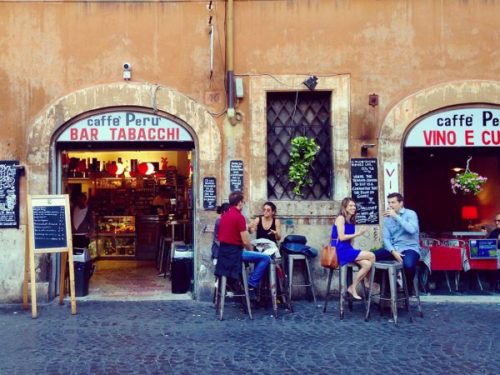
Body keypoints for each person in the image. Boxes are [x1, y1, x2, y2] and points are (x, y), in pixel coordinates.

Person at [373, 192, 421, 291]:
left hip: (410, 248)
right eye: (389, 202)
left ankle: (408, 288)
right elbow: (386, 238)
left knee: (409, 265)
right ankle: (389, 287)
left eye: (393, 202)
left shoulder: (411, 214)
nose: (390, 205)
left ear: (401, 203)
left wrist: (396, 217)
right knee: (371, 256)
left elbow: (412, 230)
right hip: (394, 249)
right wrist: (393, 252)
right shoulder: (387, 218)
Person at [331, 197, 375, 300]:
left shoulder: (351, 220)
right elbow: (341, 237)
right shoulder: (341, 218)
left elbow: (349, 240)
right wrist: (358, 234)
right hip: (340, 250)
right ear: (345, 207)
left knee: (367, 264)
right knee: (372, 255)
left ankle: (352, 286)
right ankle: (368, 281)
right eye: (350, 205)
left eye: (354, 205)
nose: (353, 207)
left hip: (347, 248)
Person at [215, 192, 253, 285]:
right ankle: (251, 284)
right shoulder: (239, 217)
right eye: (243, 202)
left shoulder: (224, 217)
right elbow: (245, 241)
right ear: (240, 203)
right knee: (265, 259)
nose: (243, 204)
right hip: (235, 254)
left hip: (223, 255)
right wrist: (252, 250)